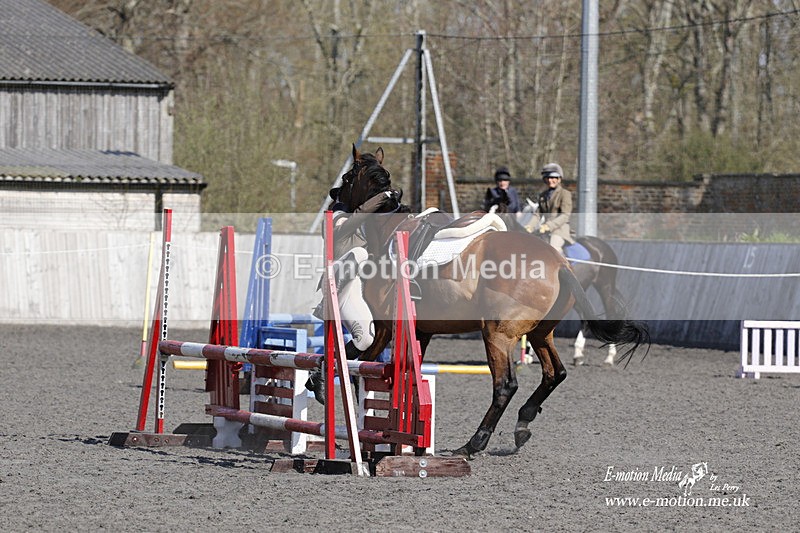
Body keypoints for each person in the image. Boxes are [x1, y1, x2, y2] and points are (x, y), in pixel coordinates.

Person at [536, 162, 574, 252]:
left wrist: (548, 226)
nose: (550, 180)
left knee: (553, 247)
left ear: (559, 179)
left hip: (559, 230)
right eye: (548, 178)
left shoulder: (565, 194)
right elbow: (537, 214)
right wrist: (529, 226)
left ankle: (562, 266)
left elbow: (565, 216)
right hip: (544, 230)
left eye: (553, 178)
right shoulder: (543, 195)